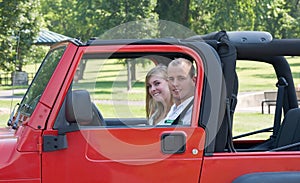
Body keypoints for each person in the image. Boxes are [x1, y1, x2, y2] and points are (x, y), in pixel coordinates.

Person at [158, 58, 196, 125]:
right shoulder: (175, 107)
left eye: (181, 78)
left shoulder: (195, 112)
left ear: (194, 81)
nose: (175, 84)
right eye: (171, 79)